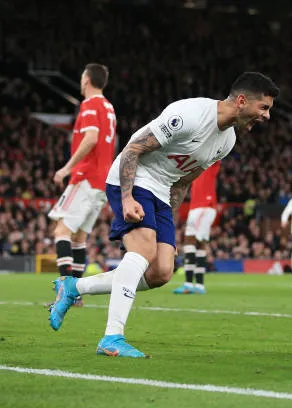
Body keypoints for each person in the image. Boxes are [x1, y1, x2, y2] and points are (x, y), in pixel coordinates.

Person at [48, 72, 279, 357]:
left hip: (162, 189)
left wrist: (168, 219)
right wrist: (128, 197)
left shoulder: (227, 141)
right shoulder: (190, 114)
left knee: (161, 272)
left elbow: (183, 179)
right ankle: (112, 337)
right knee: (142, 251)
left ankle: (73, 286)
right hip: (131, 178)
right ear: (242, 101)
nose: (266, 116)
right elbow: (133, 150)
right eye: (264, 108)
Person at [48, 63, 116, 306]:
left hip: (86, 176)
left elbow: (91, 138)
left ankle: (65, 292)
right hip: (102, 181)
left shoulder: (90, 105)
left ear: (86, 79)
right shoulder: (109, 108)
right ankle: (75, 296)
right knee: (78, 238)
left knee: (61, 231)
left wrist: (67, 168)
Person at [173, 161, 221, 294]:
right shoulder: (195, 165)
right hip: (198, 207)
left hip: (204, 206)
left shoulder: (211, 162)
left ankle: (191, 284)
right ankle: (197, 285)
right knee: (196, 244)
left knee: (193, 242)